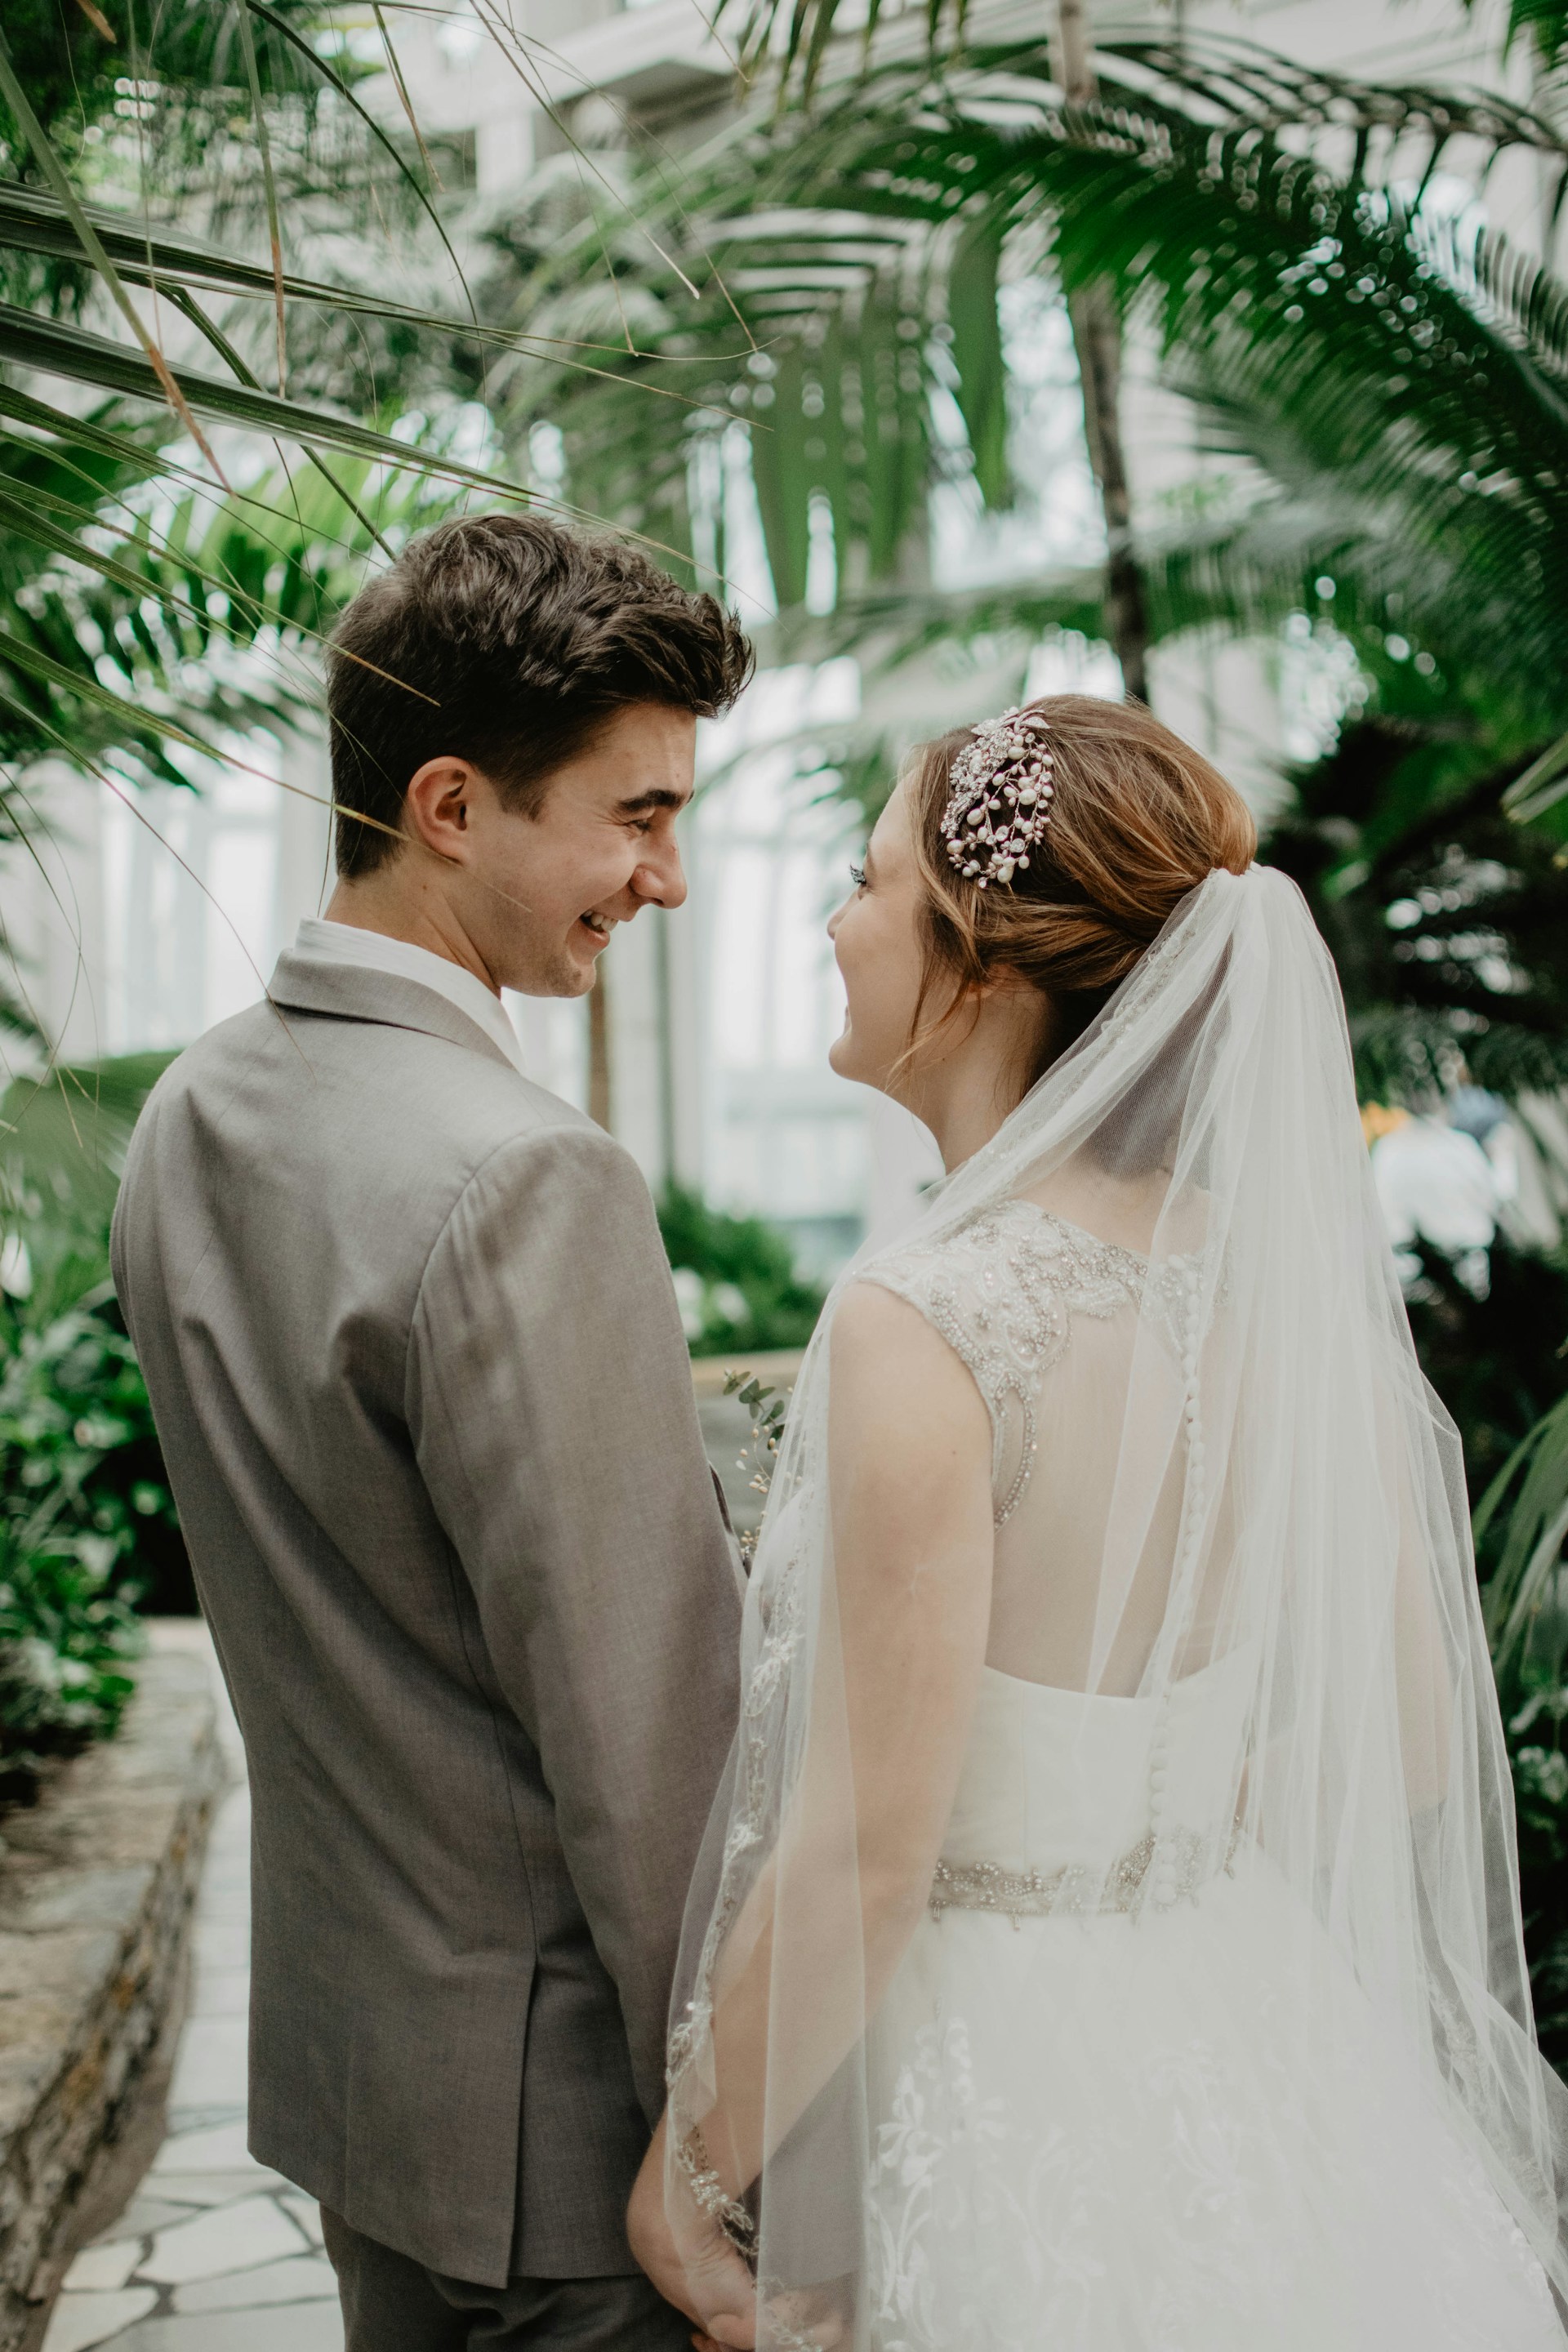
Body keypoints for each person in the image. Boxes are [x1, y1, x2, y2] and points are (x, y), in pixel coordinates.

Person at [635, 695, 1568, 2350]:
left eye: (863, 885)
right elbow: (1416, 1741)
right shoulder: (1277, 1295)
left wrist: (684, 2181)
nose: (831, 926)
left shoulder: (926, 1319)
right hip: (1264, 2026)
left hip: (1003, 2085)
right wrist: (1158, 1800)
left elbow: (868, 1852)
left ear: (982, 966)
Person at [112, 514, 759, 2352]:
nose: (670, 878)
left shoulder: (191, 1110)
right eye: (637, 816)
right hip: (567, 2155)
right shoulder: (527, 1177)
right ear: (454, 807)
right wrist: (729, 2159)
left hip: (361, 2100)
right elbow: (646, 1749)